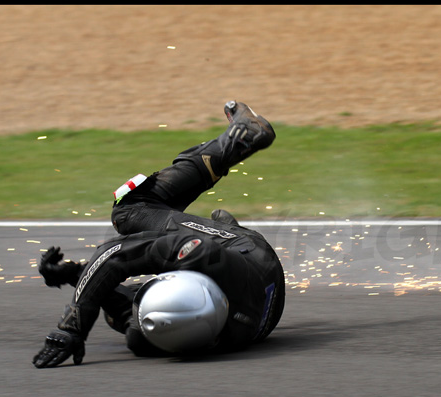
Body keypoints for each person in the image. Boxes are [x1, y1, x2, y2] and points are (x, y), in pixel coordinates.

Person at [32, 101, 285, 368]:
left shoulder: (152, 336)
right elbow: (112, 256)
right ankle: (245, 136)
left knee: (115, 306)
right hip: (247, 255)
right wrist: (72, 326)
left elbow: (123, 301)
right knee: (130, 209)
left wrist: (76, 275)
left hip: (260, 296)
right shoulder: (200, 253)